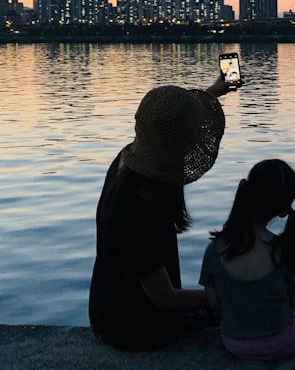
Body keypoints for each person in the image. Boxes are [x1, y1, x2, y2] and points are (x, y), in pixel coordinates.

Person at [88, 74, 235, 351]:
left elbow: (168, 126)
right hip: (132, 327)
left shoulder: (126, 161)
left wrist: (213, 92)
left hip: (106, 307)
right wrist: (217, 296)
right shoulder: (140, 211)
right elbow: (165, 298)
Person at [199, 159, 295, 360]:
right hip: (280, 343)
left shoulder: (215, 248)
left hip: (232, 343)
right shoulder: (283, 250)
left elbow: (215, 303)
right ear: (283, 211)